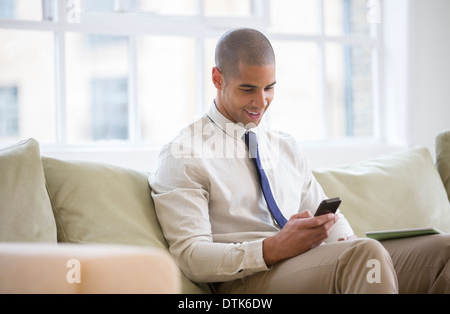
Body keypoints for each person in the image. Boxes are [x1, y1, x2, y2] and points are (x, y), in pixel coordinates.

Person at [149, 28, 450, 293]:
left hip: (308, 264)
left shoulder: (285, 146)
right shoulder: (184, 153)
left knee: (442, 250)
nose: (261, 102)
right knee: (366, 256)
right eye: (247, 89)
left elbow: (328, 219)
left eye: (269, 88)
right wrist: (271, 249)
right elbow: (191, 256)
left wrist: (346, 240)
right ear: (218, 78)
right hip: (250, 279)